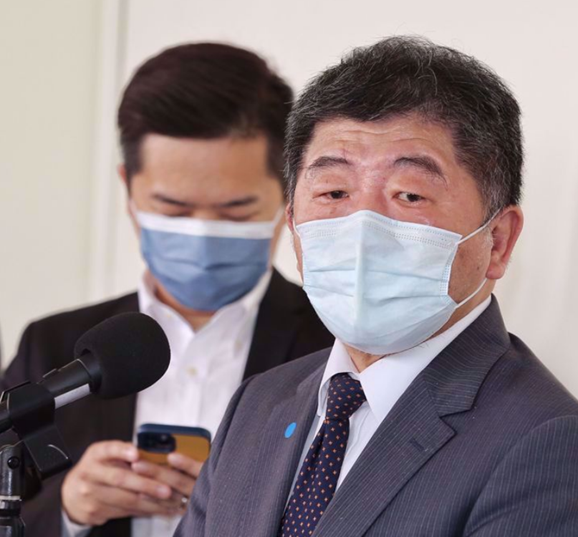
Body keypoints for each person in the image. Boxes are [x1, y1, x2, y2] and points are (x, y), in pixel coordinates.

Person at [176, 36, 578, 537]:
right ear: (293, 224)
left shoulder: (549, 446)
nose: (362, 227)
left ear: (498, 241)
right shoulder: (258, 404)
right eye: (334, 192)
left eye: (410, 195)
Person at [0, 43, 333, 537]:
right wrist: (70, 508)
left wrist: (235, 506)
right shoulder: (54, 346)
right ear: (128, 190)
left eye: (235, 212)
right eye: (173, 210)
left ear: (289, 192)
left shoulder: (337, 344)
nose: (201, 233)